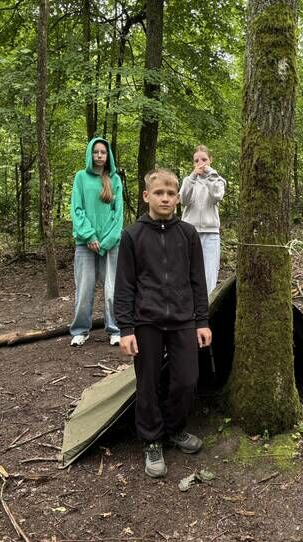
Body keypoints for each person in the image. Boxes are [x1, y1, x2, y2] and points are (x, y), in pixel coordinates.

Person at [114, 168, 212, 479]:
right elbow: (124, 286)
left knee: (186, 380)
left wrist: (202, 321)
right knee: (147, 383)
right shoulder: (132, 235)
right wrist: (126, 329)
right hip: (147, 321)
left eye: (171, 193)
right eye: (159, 193)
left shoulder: (188, 234)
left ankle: (174, 429)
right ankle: (151, 440)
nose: (165, 198)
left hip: (183, 319)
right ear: (147, 196)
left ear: (178, 198)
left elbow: (198, 281)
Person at [69, 137, 124, 347]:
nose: (99, 155)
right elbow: (77, 209)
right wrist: (90, 236)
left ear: (107, 155)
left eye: (103, 152)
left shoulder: (115, 180)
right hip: (85, 244)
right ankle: (80, 331)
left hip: (110, 245)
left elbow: (118, 214)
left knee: (112, 289)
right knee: (84, 289)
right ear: (90, 154)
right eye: (95, 152)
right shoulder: (81, 178)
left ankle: (115, 329)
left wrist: (106, 241)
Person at [180, 145, 227, 295]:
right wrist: (193, 177)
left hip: (211, 234)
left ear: (210, 160)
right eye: (196, 160)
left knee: (209, 276)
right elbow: (183, 199)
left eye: (204, 159)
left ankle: (208, 307)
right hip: (189, 233)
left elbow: (217, 195)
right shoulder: (188, 180)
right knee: (187, 273)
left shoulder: (218, 180)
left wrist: (210, 175)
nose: (200, 163)